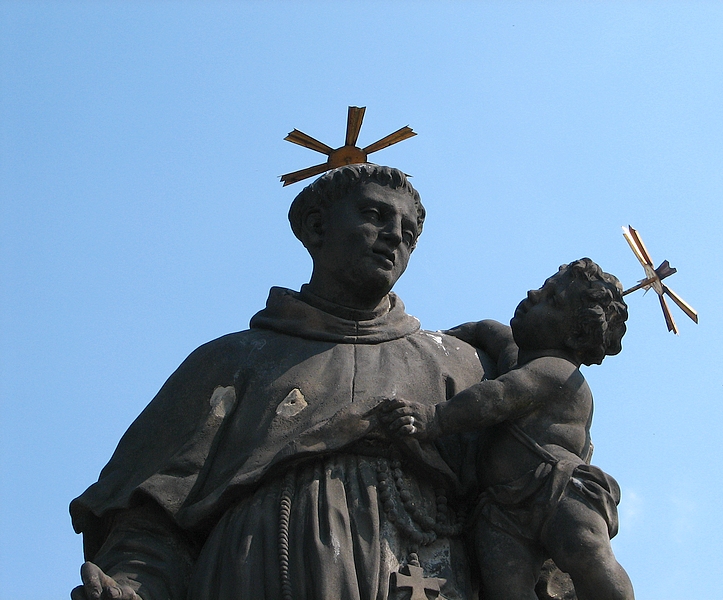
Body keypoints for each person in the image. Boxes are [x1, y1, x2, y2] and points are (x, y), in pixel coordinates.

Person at [70, 164, 495, 600]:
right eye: (374, 215)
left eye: (408, 234)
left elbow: (523, 503)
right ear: (316, 227)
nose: (394, 237)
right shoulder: (233, 360)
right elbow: (154, 517)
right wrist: (130, 587)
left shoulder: (458, 366)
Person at [381, 259, 635, 600]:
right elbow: (485, 329)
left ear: (574, 333)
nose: (533, 294)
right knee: (505, 588)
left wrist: (434, 419)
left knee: (586, 552)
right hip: (500, 507)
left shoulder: (557, 373)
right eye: (543, 287)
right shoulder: (517, 355)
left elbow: (497, 396)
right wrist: (439, 342)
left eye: (551, 299)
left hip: (557, 491)